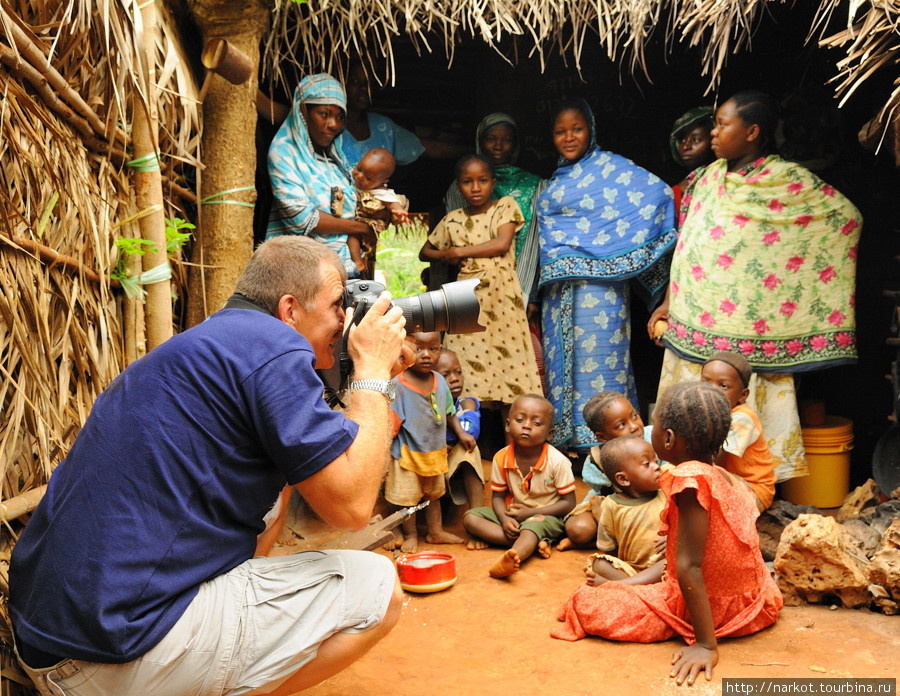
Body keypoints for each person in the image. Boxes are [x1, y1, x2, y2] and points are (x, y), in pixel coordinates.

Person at [8, 236, 414, 696]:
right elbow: (352, 505)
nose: (346, 321)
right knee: (378, 589)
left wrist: (361, 384)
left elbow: (278, 507)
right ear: (289, 309)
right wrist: (373, 373)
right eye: (339, 304)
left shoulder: (211, 345)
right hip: (116, 653)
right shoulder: (275, 347)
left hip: (51, 643)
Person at [648, 90, 863, 483]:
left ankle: (750, 490)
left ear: (752, 132)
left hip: (753, 330)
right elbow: (688, 246)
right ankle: (688, 480)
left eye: (722, 124)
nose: (713, 133)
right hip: (693, 318)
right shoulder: (706, 178)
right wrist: (667, 302)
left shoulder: (786, 180)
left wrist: (782, 285)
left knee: (745, 420)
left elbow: (844, 218)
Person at [552, 382, 783, 686]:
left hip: (713, 610)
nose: (645, 430)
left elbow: (689, 568)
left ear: (669, 439)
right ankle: (633, 588)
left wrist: (705, 645)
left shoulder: (688, 480)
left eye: (655, 425)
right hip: (756, 598)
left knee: (585, 603)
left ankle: (694, 631)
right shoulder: (724, 474)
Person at [538, 99, 676, 451]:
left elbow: (658, 195)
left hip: (602, 293)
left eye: (577, 129)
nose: (568, 137)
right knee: (560, 369)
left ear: (591, 130)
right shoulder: (556, 179)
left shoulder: (611, 168)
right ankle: (572, 445)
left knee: (603, 363)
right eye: (560, 132)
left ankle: (611, 446)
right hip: (559, 295)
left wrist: (615, 255)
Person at [420, 154, 543, 413]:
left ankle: (513, 440)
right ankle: (466, 439)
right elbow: (425, 251)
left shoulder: (505, 206)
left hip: (503, 295)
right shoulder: (452, 219)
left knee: (510, 367)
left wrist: (459, 253)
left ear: (493, 182)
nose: (476, 188)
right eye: (467, 182)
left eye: (483, 180)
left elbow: (501, 243)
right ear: (458, 186)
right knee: (464, 365)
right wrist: (445, 255)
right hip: (466, 295)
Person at [267, 73, 375, 279]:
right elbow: (301, 218)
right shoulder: (284, 152)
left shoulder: (336, 161)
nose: (333, 124)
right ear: (303, 111)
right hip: (299, 272)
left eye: (339, 117)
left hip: (338, 270)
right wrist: (360, 228)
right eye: (324, 114)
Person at [463, 394, 576, 578]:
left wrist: (529, 514)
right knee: (471, 518)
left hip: (546, 516)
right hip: (514, 515)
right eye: (520, 419)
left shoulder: (557, 461)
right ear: (508, 424)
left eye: (537, 423)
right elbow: (498, 497)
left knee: (532, 527)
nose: (527, 426)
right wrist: (504, 519)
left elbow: (569, 504)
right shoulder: (501, 457)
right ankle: (530, 543)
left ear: (550, 433)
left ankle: (513, 556)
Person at [385, 331, 476, 553]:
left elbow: (449, 412)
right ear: (404, 350)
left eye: (433, 349)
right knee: (408, 500)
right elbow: (392, 422)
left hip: (435, 453)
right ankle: (411, 534)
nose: (426, 355)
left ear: (440, 348)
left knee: (433, 497)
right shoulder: (398, 384)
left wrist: (461, 433)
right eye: (418, 349)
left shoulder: (440, 382)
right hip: (407, 454)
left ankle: (435, 532)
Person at [443, 113, 545, 302]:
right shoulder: (459, 188)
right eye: (491, 139)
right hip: (474, 282)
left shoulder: (535, 185)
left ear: (515, 144)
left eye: (506, 140)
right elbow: (454, 236)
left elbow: (536, 241)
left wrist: (532, 295)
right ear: (480, 141)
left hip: (521, 282)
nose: (498, 146)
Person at [558, 391, 653, 551]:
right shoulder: (598, 460)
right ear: (603, 437)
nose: (634, 426)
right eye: (621, 425)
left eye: (634, 416)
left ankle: (611, 543)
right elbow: (607, 498)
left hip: (654, 502)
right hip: (617, 504)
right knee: (579, 530)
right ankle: (586, 542)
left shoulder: (654, 439)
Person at [583, 435, 666, 587]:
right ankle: (635, 585)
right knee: (599, 563)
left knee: (674, 559)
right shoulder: (611, 505)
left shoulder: (667, 489)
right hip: (631, 569)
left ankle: (623, 586)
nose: (657, 466)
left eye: (656, 461)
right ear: (623, 479)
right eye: (647, 464)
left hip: (662, 566)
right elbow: (608, 546)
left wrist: (674, 539)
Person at [701, 350, 776, 511]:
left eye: (723, 386)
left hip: (754, 490)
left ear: (742, 395)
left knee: (698, 475)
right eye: (706, 383)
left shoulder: (742, 419)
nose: (712, 392)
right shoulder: (709, 413)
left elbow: (714, 461)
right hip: (732, 483)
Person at [435, 349, 486, 538]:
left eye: (458, 372)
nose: (454, 379)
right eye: (445, 375)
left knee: (470, 450)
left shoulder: (467, 404)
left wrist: (467, 413)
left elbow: (470, 431)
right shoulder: (424, 403)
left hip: (451, 468)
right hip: (427, 468)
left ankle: (478, 520)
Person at [349, 147, 410, 278]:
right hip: (349, 220)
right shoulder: (348, 176)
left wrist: (399, 212)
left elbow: (392, 203)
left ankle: (357, 261)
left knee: (353, 235)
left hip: (361, 224)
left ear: (382, 182)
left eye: (368, 178)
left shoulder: (381, 191)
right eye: (359, 169)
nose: (360, 176)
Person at [668, 106, 716, 212]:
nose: (686, 146)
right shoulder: (675, 193)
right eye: (682, 140)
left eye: (696, 140)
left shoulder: (728, 181)